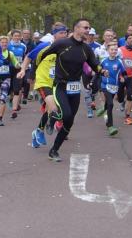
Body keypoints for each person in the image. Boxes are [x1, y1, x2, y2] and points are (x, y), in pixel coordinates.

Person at [34, 18, 104, 162]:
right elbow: (41, 55)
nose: (88, 30)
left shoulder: (86, 49)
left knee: (69, 121)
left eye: (89, 28)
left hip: (75, 89)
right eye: (85, 27)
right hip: (60, 86)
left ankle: (54, 150)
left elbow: (94, 64)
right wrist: (36, 70)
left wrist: (102, 71)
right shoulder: (62, 43)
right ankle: (52, 118)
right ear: (76, 28)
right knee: (65, 114)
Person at [18, 24, 68, 149]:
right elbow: (29, 57)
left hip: (57, 84)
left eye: (65, 33)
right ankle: (48, 126)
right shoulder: (45, 46)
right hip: (43, 82)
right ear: (54, 34)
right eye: (61, 33)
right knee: (54, 108)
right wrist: (23, 70)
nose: (64, 35)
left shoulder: (67, 48)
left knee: (50, 109)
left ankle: (38, 132)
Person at [98, 42, 126, 136]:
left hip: (114, 86)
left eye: (115, 50)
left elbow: (124, 73)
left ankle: (103, 108)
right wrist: (93, 81)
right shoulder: (103, 61)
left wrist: (122, 78)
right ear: (108, 51)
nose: (114, 51)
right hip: (105, 85)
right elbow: (98, 71)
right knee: (110, 104)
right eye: (112, 50)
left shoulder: (119, 62)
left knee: (108, 103)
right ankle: (110, 126)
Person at [0, 35, 18, 126]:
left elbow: (16, 63)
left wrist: (19, 66)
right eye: (2, 42)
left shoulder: (10, 54)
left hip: (6, 78)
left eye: (6, 43)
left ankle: (0, 118)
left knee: (3, 98)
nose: (4, 44)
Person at [118, 34, 132, 124]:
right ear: (126, 40)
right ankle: (122, 101)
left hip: (130, 77)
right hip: (121, 77)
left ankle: (127, 115)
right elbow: (117, 62)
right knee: (119, 97)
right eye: (129, 38)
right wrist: (120, 76)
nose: (131, 40)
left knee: (130, 96)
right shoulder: (120, 50)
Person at [7, 30, 28, 119]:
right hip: (9, 70)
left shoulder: (23, 46)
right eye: (15, 36)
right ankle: (11, 99)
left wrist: (24, 67)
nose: (17, 37)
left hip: (18, 70)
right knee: (10, 89)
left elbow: (25, 57)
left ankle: (14, 110)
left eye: (18, 36)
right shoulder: (8, 46)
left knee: (17, 89)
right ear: (12, 36)